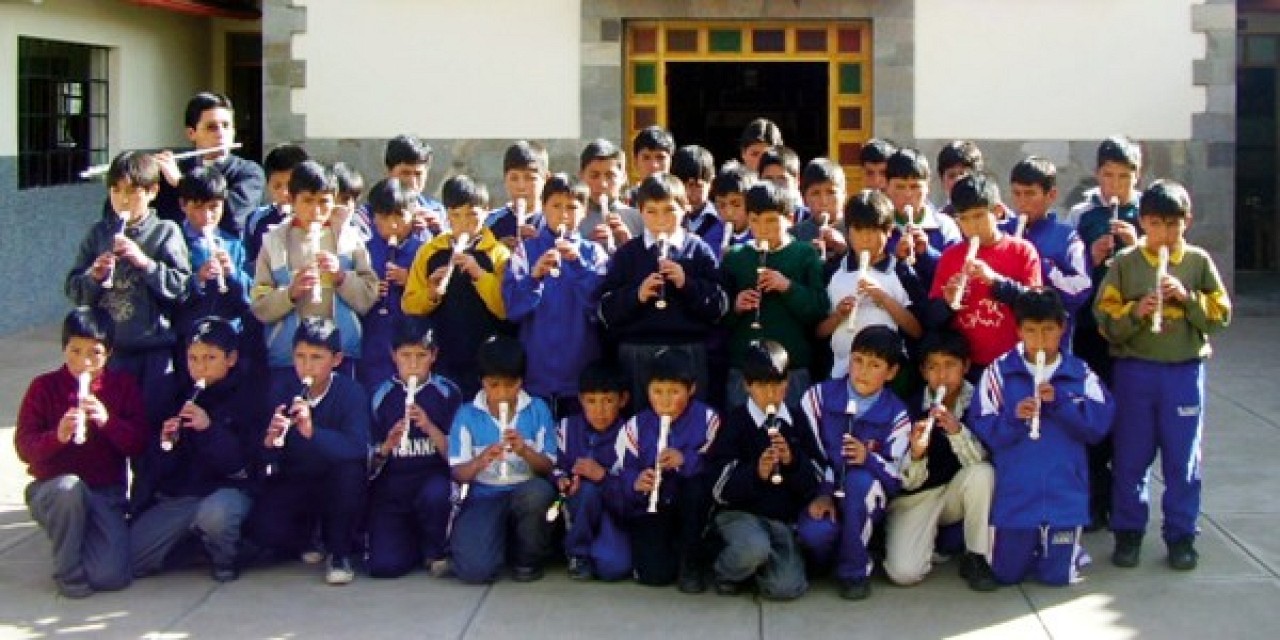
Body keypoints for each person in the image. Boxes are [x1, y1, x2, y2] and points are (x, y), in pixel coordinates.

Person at [1094, 179, 1231, 571]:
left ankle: (1181, 535)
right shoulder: (1126, 263)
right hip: (1136, 370)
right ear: (1143, 223)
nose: (1164, 234)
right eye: (1155, 224)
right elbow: (1103, 318)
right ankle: (1128, 532)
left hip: (1183, 372)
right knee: (1131, 456)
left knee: (1182, 458)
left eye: (1173, 225)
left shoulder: (1198, 262)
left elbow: (1221, 315)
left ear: (1186, 222)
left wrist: (1187, 299)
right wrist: (1137, 311)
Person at [971, 288, 1114, 586]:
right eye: (1031, 331)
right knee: (1007, 575)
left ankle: (1066, 548)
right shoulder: (999, 372)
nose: (1039, 341)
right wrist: (1014, 418)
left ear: (1062, 328)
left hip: (1065, 494)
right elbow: (984, 428)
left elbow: (1098, 426)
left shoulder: (1079, 372)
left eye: (1048, 330)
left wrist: (1062, 402)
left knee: (1056, 578)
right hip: (1017, 497)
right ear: (1018, 330)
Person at [15, 309, 147, 598]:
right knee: (68, 489)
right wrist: (57, 437)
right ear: (64, 348)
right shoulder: (43, 387)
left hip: (104, 491)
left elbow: (138, 444)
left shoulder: (122, 386)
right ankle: (68, 571)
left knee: (110, 576)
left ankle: (77, 532)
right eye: (75, 351)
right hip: (53, 488)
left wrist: (108, 422)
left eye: (94, 353)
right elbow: (25, 448)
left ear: (109, 352)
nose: (83, 362)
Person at [129, 318, 264, 583]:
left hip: (226, 494)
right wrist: (166, 444)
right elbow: (153, 469)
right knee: (133, 558)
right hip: (182, 497)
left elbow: (241, 465)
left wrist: (209, 429)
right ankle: (194, 546)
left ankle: (226, 556)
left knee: (216, 514)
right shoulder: (172, 391)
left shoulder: (249, 395)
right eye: (193, 358)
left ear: (231, 358)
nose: (200, 367)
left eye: (210, 358)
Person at [67, 150, 192, 419]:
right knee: (110, 426)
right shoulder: (98, 234)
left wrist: (144, 262)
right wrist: (95, 276)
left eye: (133, 191)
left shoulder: (165, 232)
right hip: (110, 353)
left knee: (151, 428)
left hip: (153, 353)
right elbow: (75, 291)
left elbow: (182, 288)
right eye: (116, 190)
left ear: (152, 191)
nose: (123, 199)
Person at [248, 318, 371, 585]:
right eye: (300, 357)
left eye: (317, 357)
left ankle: (339, 552)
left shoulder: (351, 392)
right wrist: (270, 443)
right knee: (264, 531)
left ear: (336, 360)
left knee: (350, 475)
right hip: (297, 477)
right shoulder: (282, 389)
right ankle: (306, 536)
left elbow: (357, 447)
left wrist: (312, 432)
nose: (307, 365)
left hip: (335, 480)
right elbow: (264, 457)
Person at [796, 326, 911, 601]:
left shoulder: (898, 415)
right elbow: (807, 454)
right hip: (822, 491)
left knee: (859, 481)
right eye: (858, 360)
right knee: (817, 534)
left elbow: (898, 478)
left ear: (891, 372)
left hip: (866, 497)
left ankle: (854, 571)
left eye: (875, 365)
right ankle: (822, 559)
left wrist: (868, 458)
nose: (863, 371)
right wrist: (823, 493)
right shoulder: (817, 398)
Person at [596, 174, 727, 406]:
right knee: (641, 428)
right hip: (637, 353)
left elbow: (719, 307)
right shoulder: (628, 253)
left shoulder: (697, 250)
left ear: (685, 208)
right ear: (639, 211)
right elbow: (605, 310)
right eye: (651, 211)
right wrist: (637, 295)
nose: (661, 220)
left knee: (688, 428)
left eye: (669, 211)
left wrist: (686, 284)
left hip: (687, 352)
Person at [705, 340, 821, 600]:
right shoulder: (735, 423)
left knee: (786, 588)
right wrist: (755, 472)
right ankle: (727, 571)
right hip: (740, 516)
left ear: (787, 383)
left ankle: (761, 569)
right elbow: (718, 487)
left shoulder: (797, 420)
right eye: (761, 385)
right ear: (747, 385)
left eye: (777, 384)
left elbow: (817, 477)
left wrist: (792, 461)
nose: (770, 393)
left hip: (781, 520)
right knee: (753, 548)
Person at [1069, 136, 1144, 530]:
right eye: (1108, 177)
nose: (1115, 186)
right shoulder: (1085, 214)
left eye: (1123, 178)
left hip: (1132, 334)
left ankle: (1126, 504)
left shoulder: (1147, 211)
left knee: (1130, 423)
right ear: (1097, 176)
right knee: (1093, 416)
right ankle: (1096, 501)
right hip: (1090, 331)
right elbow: (1072, 270)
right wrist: (1092, 256)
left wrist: (1138, 245)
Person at [883, 331, 996, 591]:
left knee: (983, 473)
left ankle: (977, 556)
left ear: (966, 366)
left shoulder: (981, 400)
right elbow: (905, 483)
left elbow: (984, 459)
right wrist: (917, 453)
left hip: (956, 492)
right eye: (933, 367)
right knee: (904, 573)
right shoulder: (908, 408)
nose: (941, 376)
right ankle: (927, 541)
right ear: (923, 371)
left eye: (950, 365)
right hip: (917, 498)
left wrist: (957, 431)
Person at [249, 161, 379, 383]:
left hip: (340, 354)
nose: (316, 211)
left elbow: (369, 295)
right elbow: (259, 304)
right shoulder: (275, 242)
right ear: (291, 199)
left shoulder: (349, 239)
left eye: (324, 202)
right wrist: (290, 293)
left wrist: (341, 277)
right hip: (289, 357)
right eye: (308, 201)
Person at [446, 336, 557, 583]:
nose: (503, 394)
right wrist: (480, 461)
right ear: (482, 383)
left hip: (525, 490)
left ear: (521, 382)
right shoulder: (467, 414)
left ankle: (526, 559)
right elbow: (457, 472)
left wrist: (524, 451)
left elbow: (548, 466)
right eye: (494, 385)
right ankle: (492, 547)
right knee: (475, 571)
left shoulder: (537, 409)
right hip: (484, 495)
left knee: (538, 493)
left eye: (511, 385)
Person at [613, 348, 721, 592]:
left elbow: (716, 464)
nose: (665, 400)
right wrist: (636, 482)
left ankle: (692, 560)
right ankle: (670, 552)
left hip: (691, 506)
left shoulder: (708, 419)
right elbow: (620, 473)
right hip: (653, 505)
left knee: (695, 489)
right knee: (655, 575)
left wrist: (686, 460)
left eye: (674, 392)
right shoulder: (634, 427)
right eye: (657, 392)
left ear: (691, 390)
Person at [503, 174, 607, 418]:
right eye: (556, 206)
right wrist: (535, 277)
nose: (563, 214)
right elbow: (512, 310)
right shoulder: (525, 251)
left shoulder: (594, 253)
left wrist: (578, 265)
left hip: (582, 374)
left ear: (584, 212)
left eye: (572, 207)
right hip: (536, 373)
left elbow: (601, 309)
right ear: (543, 207)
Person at [365, 323, 463, 578]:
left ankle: (435, 548)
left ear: (434, 356)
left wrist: (429, 427)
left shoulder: (447, 392)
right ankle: (408, 542)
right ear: (393, 355)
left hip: (432, 481)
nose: (413, 364)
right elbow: (370, 461)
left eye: (421, 356)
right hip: (394, 488)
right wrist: (387, 445)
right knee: (384, 567)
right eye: (406, 356)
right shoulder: (381, 395)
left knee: (436, 495)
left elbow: (458, 457)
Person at [402, 175, 511, 398]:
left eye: (472, 215)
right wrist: (431, 293)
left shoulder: (498, 253)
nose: (464, 223)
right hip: (443, 355)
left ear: (486, 212)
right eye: (456, 216)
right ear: (446, 215)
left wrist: (479, 274)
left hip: (486, 355)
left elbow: (505, 309)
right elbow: (409, 306)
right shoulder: (430, 252)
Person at [721, 182, 827, 409]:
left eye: (771, 220)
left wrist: (788, 287)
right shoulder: (736, 256)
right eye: (754, 221)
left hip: (792, 369)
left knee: (791, 436)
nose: (762, 229)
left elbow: (818, 310)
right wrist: (736, 307)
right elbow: (719, 316)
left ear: (790, 219)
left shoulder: (805, 254)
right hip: (744, 371)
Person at [925, 174, 1042, 380]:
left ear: (997, 212)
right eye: (964, 219)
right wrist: (947, 303)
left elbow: (1036, 307)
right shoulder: (951, 256)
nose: (972, 226)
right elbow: (932, 320)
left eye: (979, 216)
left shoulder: (1022, 251)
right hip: (966, 367)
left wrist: (996, 282)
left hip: (1013, 364)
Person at [817, 188, 924, 380]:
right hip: (841, 371)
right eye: (858, 230)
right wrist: (838, 315)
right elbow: (818, 332)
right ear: (847, 231)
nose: (865, 239)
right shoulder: (834, 271)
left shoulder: (901, 272)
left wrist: (883, 299)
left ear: (889, 231)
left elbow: (916, 330)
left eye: (874, 230)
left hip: (889, 376)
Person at [552, 362, 632, 581]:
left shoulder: (631, 433)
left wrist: (603, 477)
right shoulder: (567, 428)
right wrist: (563, 480)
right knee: (586, 491)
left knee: (613, 568)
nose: (600, 410)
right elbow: (556, 466)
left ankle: (603, 546)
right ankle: (578, 553)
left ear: (622, 400)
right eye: (591, 401)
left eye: (608, 401)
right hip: (579, 506)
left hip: (614, 510)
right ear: (580, 400)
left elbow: (632, 488)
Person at [150, 91, 264, 235]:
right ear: (191, 133)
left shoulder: (249, 172)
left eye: (226, 126)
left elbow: (235, 218)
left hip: (227, 253)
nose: (221, 133)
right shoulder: (173, 169)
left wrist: (181, 183)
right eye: (212, 127)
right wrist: (144, 173)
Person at [1008, 156, 1091, 352]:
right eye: (1017, 194)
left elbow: (1082, 290)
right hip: (1006, 345)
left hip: (1052, 347)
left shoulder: (1067, 238)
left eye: (1030, 194)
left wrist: (1042, 267)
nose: (1022, 202)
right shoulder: (1001, 232)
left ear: (1051, 195)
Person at [172, 167, 251, 366]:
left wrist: (233, 274)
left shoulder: (233, 244)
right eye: (198, 207)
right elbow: (168, 294)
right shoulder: (173, 242)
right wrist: (197, 279)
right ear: (183, 204)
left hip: (226, 341)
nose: (207, 215)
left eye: (214, 207)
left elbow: (247, 300)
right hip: (187, 341)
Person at [357, 178, 426, 394]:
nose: (393, 225)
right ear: (373, 218)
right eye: (384, 217)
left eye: (400, 216)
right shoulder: (363, 251)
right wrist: (371, 292)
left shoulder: (424, 251)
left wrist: (410, 282)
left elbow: (435, 296)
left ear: (413, 216)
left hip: (412, 341)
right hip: (374, 339)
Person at [884, 148, 961, 291]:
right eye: (900, 187)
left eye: (915, 187)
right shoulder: (879, 226)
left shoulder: (945, 225)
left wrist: (927, 253)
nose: (908, 194)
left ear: (927, 187)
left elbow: (955, 272)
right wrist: (896, 257)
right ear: (887, 187)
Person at [245, 143, 310, 268]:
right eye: (277, 186)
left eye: (290, 184)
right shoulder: (256, 219)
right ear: (268, 185)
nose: (284, 192)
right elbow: (251, 266)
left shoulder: (316, 217)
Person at [577, 139, 644, 253]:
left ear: (624, 177)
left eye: (610, 176)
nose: (602, 184)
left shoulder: (640, 219)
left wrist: (629, 243)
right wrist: (586, 247)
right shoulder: (572, 219)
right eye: (594, 176)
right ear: (581, 176)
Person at [487, 141, 550, 248]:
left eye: (530, 178)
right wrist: (497, 252)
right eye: (514, 178)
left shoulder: (553, 221)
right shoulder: (489, 221)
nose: (521, 186)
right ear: (505, 180)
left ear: (546, 179)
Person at [384, 134, 447, 237]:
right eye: (405, 173)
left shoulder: (438, 211)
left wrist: (440, 233)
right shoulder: (368, 215)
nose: (412, 182)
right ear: (389, 172)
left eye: (418, 174)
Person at [794, 158, 849, 264]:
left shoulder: (857, 230)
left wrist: (843, 249)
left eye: (831, 192)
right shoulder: (795, 235)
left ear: (844, 195)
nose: (823, 201)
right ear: (804, 198)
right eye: (815, 193)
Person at [672, 145, 724, 254]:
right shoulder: (667, 221)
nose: (687, 193)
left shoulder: (722, 220)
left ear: (711, 183)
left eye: (696, 185)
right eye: (682, 185)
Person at [710, 160, 755, 258]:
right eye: (721, 205)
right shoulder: (710, 238)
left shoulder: (761, 235)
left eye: (736, 204)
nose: (729, 213)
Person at [758, 147, 809, 223]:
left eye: (781, 179)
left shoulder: (812, 220)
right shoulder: (753, 221)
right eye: (768, 180)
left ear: (797, 180)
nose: (775, 186)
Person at [936, 140, 985, 216]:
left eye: (963, 174)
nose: (958, 180)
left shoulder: (996, 215)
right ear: (942, 181)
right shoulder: (938, 222)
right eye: (951, 176)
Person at [629, 125, 676, 197]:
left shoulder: (680, 201)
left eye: (660, 157)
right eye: (646, 158)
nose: (654, 165)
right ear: (635, 162)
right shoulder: (626, 202)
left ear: (671, 160)